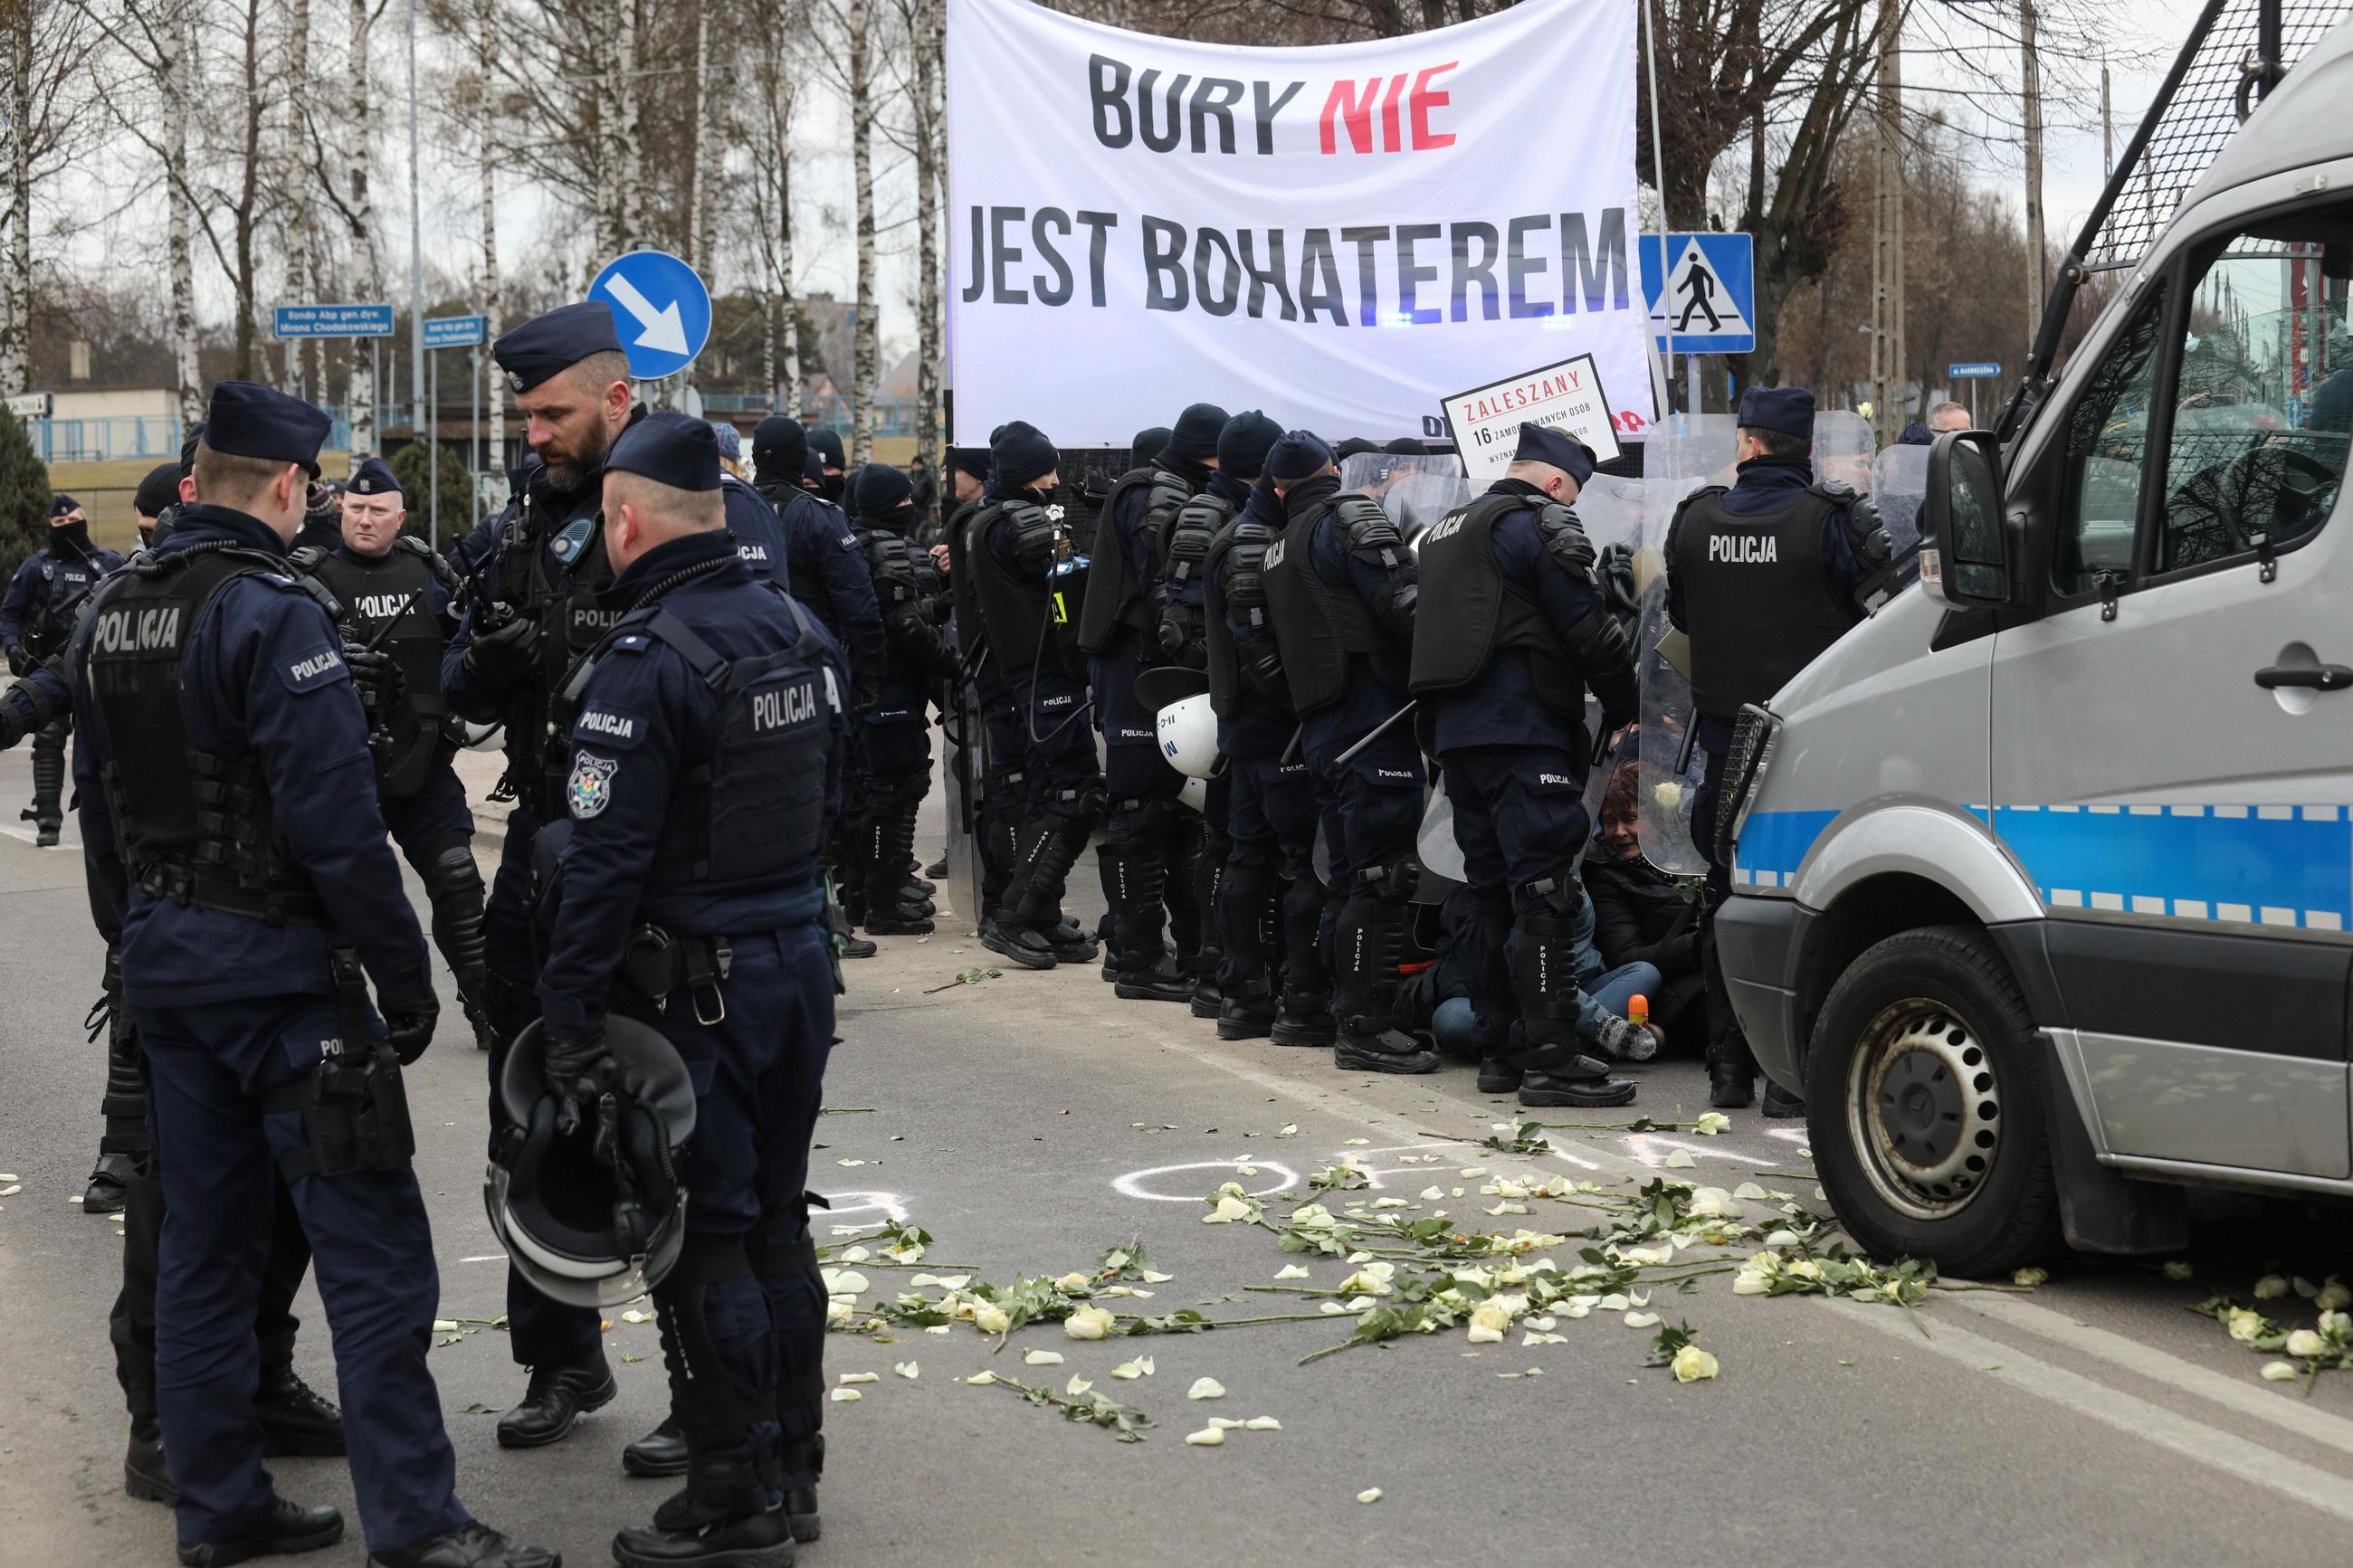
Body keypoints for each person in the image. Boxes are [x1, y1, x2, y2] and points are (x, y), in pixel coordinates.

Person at [70, 379, 554, 1568]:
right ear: (289, 487)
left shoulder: (112, 609)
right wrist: (407, 979)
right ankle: (420, 1523)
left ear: (195, 482)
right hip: (285, 979)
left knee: (202, 1251)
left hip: (169, 974)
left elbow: (98, 811)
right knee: (376, 1256)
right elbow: (337, 825)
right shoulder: (272, 612)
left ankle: (221, 1505)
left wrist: (140, 941)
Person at [535, 412, 847, 1567]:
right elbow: (842, 790)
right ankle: (794, 1468)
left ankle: (734, 1493)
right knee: (776, 1219)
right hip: (795, 968)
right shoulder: (801, 630)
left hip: (695, 994)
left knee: (704, 1237)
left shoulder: (649, 657)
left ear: (624, 520)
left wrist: (567, 1021)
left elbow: (604, 862)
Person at [442, 299, 639, 1452]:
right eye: (525, 414)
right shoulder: (518, 524)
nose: (533, 433)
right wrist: (483, 661)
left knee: (669, 1106)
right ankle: (561, 1361)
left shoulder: (680, 504)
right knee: (530, 1103)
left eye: (552, 412)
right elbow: (455, 690)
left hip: (642, 853)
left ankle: (703, 1376)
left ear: (616, 399)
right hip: (538, 844)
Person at [1665, 385, 1889, 1115]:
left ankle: (1729, 1068)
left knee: (1727, 900)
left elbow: (1680, 616)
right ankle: (1793, 1079)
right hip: (1816, 746)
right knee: (1815, 901)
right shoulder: (1834, 521)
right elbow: (1888, 617)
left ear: (1749, 443)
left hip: (1727, 748)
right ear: (1809, 450)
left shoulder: (1695, 521)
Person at [1411, 422, 1648, 1106]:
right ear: (1552, 482)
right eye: (1570, 494)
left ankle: (1502, 1049)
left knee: (1486, 890)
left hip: (1458, 738)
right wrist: (1626, 701)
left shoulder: (1451, 528)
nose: (1569, 507)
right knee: (1545, 891)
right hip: (1524, 730)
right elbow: (1589, 628)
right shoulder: (1537, 523)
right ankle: (1552, 1058)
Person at [291, 456, 494, 1052]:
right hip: (345, 770)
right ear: (340, 509)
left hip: (424, 765)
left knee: (459, 878)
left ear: (399, 515)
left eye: (378, 510)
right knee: (338, 899)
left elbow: (467, 652)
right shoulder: (310, 578)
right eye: (355, 508)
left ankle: (486, 1007)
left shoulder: (431, 573)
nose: (365, 519)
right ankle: (344, 1022)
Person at [1261, 432, 1433, 1073]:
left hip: (1323, 725)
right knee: (1383, 873)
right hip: (1373, 716)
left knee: (1348, 873)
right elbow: (1404, 605)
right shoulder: (1349, 514)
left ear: (1279, 487)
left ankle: (1340, 1012)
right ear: (1334, 471)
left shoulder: (1280, 542)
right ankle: (1367, 1024)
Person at [1079, 404, 1229, 1003]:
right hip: (1139, 667)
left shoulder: (1164, 486)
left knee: (1172, 813)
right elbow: (1167, 586)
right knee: (1138, 810)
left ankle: (1162, 948)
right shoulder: (1157, 495)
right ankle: (1137, 957)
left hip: (1147, 668)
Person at [1202, 410, 1331, 1043]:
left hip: (1250, 729)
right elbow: (1258, 651)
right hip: (1271, 729)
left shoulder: (1251, 530)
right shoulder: (1254, 540)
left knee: (1250, 857)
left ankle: (1246, 996)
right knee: (1299, 859)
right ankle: (1295, 1001)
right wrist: (1312, 705)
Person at [970, 421, 1103, 968]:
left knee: (1043, 794)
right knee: (1073, 795)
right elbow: (1070, 583)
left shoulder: (983, 519)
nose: (1055, 480)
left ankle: (1040, 911)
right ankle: (1017, 917)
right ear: (1030, 474)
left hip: (1020, 676)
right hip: (1044, 674)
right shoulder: (1024, 521)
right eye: (1048, 470)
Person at [845, 462, 960, 936]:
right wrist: (955, 668)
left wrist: (941, 593)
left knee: (898, 784)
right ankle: (882, 899)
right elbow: (907, 627)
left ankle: (884, 888)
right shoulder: (886, 547)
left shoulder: (853, 546)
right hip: (889, 684)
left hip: (880, 684)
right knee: (890, 789)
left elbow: (903, 609)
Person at [3, 491, 122, 844]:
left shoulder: (110, 564)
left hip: (98, 670)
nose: (69, 528)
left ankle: (111, 821)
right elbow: (10, 612)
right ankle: (48, 820)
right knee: (49, 739)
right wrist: (13, 647)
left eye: (74, 522)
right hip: (53, 667)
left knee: (104, 744)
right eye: (61, 524)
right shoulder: (37, 567)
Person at [1585, 762, 1705, 1054]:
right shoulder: (1604, 873)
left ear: (1657, 818)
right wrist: (1694, 947)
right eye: (1610, 821)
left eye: (1630, 819)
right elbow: (1625, 956)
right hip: (1664, 991)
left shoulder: (1686, 855)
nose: (1621, 832)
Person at [908, 455, 938, 543]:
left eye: (919, 463)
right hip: (911, 506)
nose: (916, 465)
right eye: (915, 463)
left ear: (922, 465)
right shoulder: (909, 476)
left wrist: (927, 503)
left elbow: (933, 491)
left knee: (922, 529)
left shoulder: (927, 477)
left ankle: (923, 546)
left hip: (923, 507)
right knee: (911, 528)